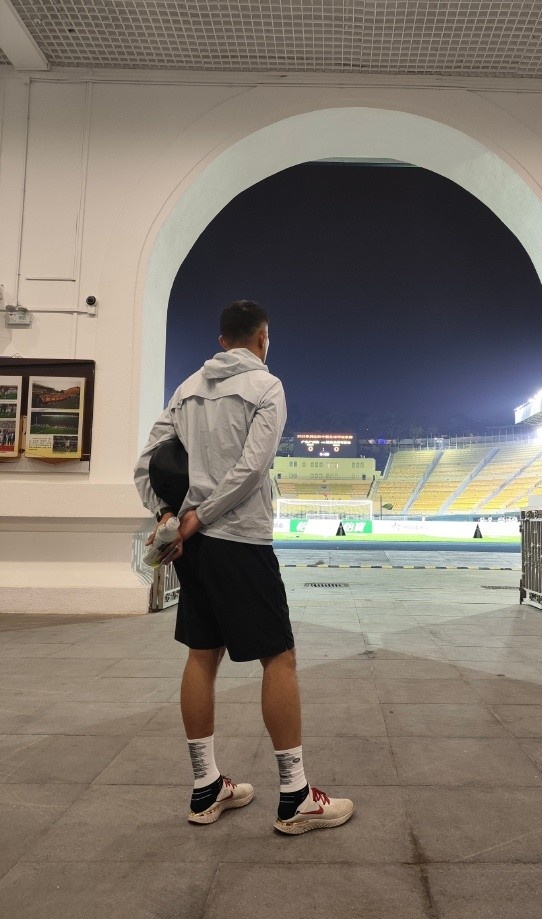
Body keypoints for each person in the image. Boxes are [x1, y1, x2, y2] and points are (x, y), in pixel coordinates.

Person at [134, 300, 354, 834]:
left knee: (201, 656)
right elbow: (251, 469)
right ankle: (296, 796)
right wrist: (200, 517)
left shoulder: (186, 388)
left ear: (220, 339)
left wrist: (170, 516)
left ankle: (207, 786)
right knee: (279, 659)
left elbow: (146, 465)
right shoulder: (266, 387)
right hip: (239, 541)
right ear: (262, 339)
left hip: (195, 550)